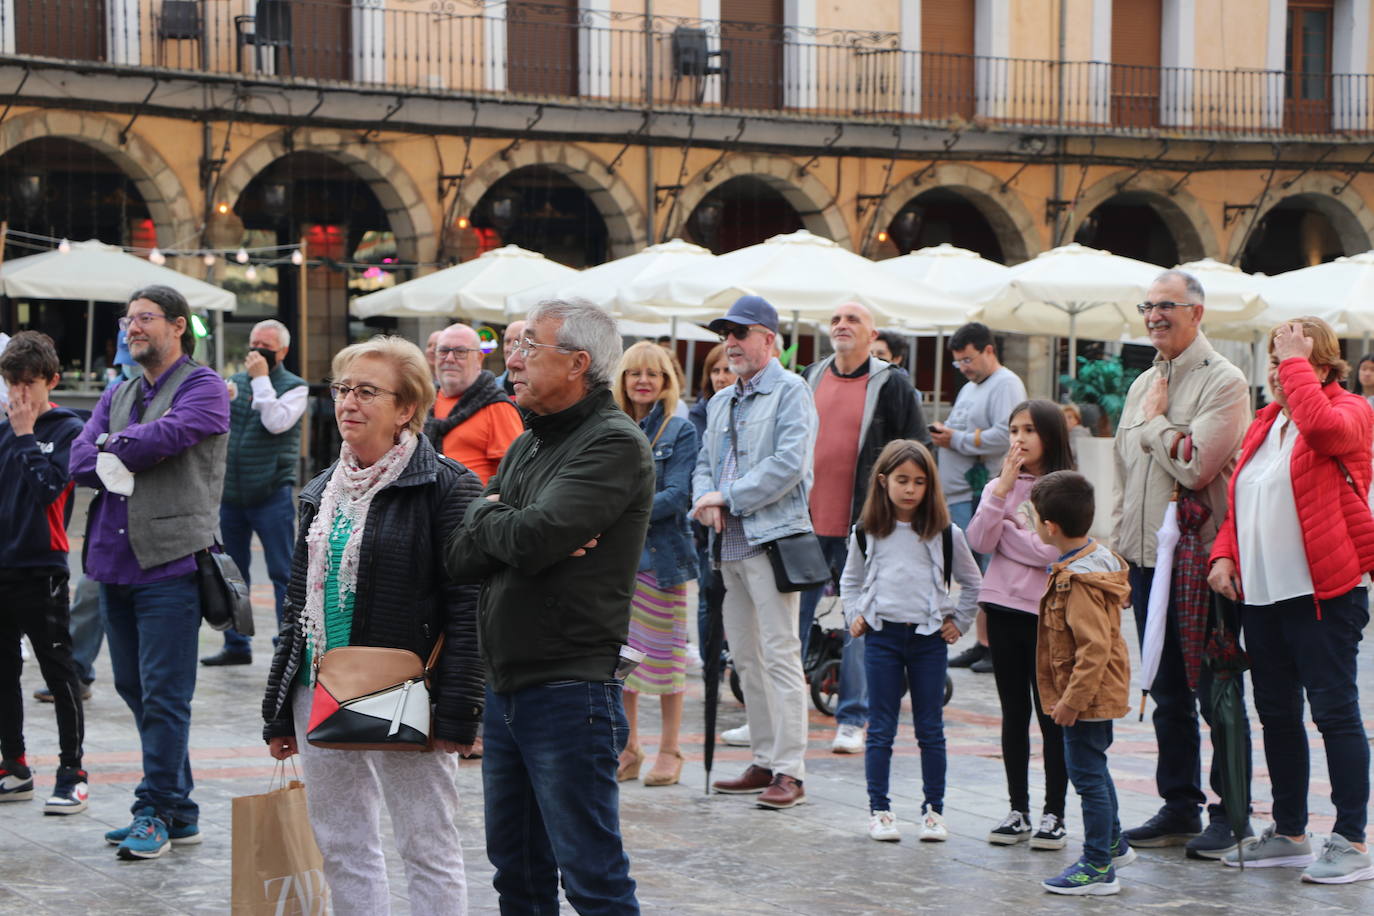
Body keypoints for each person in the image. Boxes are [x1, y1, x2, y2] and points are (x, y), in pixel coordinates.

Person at [262, 335, 482, 913]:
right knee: (341, 845)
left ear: (406, 407)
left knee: (427, 844)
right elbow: (296, 607)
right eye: (342, 389)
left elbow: (468, 606)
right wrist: (279, 709)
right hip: (320, 686)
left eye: (366, 391)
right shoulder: (321, 489)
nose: (348, 403)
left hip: (404, 690)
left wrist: (460, 713)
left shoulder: (447, 486)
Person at [446, 298, 650, 914]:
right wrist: (496, 517)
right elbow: (461, 557)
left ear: (578, 363)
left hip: (569, 687)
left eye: (530, 345)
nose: (513, 359)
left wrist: (498, 520)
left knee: (593, 879)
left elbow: (532, 541)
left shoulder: (613, 442)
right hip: (507, 684)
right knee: (518, 874)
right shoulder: (529, 442)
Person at [1208, 317, 1374, 883]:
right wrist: (1224, 556)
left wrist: (1298, 363)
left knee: (1334, 713)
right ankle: (1290, 832)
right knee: (1277, 715)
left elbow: (1324, 432)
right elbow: (1241, 503)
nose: (1278, 373)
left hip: (1324, 594)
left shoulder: (1351, 410)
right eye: (1275, 362)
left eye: (1290, 361)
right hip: (1262, 595)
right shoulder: (1266, 422)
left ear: (1321, 365)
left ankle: (1351, 840)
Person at [69, 285, 230, 860]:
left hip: (171, 564)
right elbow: (78, 459)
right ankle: (180, 811)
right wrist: (119, 449)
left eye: (144, 318)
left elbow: (169, 435)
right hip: (113, 564)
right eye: (127, 319)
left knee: (165, 695)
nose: (132, 328)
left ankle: (155, 809)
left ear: (178, 326)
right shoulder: (119, 390)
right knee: (135, 689)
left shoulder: (205, 387)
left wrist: (112, 446)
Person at [1113, 269, 1254, 860]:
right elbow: (1125, 470)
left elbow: (1196, 466)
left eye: (1166, 306)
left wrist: (1154, 424)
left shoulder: (1226, 381)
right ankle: (1179, 805)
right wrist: (1119, 550)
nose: (1154, 316)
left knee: (1215, 691)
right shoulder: (1144, 380)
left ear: (1197, 312)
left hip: (1203, 564)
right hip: (1147, 560)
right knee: (1166, 689)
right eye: (1147, 306)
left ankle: (1233, 813)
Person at [693, 295, 817, 809]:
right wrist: (704, 499)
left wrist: (727, 497)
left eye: (740, 333)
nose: (731, 342)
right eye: (726, 334)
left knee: (780, 653)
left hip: (772, 540)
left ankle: (791, 770)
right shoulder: (720, 400)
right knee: (745, 656)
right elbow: (704, 463)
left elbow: (789, 464)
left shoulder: (792, 391)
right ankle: (764, 760)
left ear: (769, 339)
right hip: (726, 546)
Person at [800, 302, 929, 755]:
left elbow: (918, 448)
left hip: (865, 523)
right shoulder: (811, 377)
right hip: (806, 523)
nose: (842, 325)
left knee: (859, 623)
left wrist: (901, 513)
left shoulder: (892, 383)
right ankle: (780, 714)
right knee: (790, 621)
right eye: (836, 319)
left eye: (853, 319)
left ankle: (853, 717)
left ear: (873, 335)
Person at [841, 439, 980, 843]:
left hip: (928, 641)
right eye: (902, 480)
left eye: (919, 482)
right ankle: (880, 810)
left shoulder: (946, 533)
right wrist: (855, 615)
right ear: (883, 481)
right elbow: (850, 580)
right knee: (881, 728)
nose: (910, 489)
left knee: (930, 728)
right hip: (882, 638)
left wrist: (960, 622)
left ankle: (933, 811)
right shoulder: (866, 532)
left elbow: (973, 583)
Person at [966, 400, 1075, 849]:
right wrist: (1003, 496)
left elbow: (1053, 551)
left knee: (1051, 716)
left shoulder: (1067, 488)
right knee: (1014, 714)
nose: (1019, 438)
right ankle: (1018, 810)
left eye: (1029, 429)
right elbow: (978, 540)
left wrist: (1009, 535)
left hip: (1047, 615)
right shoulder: (999, 486)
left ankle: (1054, 813)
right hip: (1002, 611)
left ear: (1049, 435)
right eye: (1014, 430)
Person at [1029, 471, 1135, 896]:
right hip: (1094, 692)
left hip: (1087, 696)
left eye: (1034, 519)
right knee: (1094, 769)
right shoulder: (1094, 560)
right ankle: (1112, 844)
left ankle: (1097, 866)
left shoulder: (1077, 582)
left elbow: (1093, 648)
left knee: (1087, 777)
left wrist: (1071, 701)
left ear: (1050, 527)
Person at [0, 331, 89, 813]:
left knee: (58, 673)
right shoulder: (4, 429)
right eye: (12, 382)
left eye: (28, 383)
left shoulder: (67, 428)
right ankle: (13, 765)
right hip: (3, 566)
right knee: (3, 672)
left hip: (43, 567)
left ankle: (73, 772)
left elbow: (50, 489)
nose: (19, 394)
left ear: (51, 381)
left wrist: (24, 435)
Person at [611, 341, 698, 788]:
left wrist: (624, 510)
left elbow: (679, 495)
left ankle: (670, 748)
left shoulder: (679, 430)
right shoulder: (612, 427)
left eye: (653, 373)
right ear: (623, 380)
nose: (643, 381)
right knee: (620, 661)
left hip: (661, 562)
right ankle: (629, 747)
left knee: (666, 660)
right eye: (635, 373)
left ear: (666, 382)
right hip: (617, 562)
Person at [204, 319, 308, 667]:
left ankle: (286, 644)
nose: (258, 351)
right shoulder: (235, 382)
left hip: (271, 493)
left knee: (282, 572)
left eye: (266, 346)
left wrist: (262, 379)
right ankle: (236, 644)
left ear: (283, 351)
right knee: (232, 573)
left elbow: (275, 422)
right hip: (232, 494)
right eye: (254, 344)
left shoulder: (295, 387)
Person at [930, 321, 1027, 674]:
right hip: (959, 493)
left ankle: (995, 647)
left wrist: (953, 438)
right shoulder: (973, 386)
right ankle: (983, 643)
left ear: (989, 350)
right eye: (958, 362)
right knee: (975, 575)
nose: (963, 368)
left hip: (981, 492)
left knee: (988, 572)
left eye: (968, 360)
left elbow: (1004, 435)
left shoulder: (1006, 384)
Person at [426, 322, 523, 485]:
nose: (449, 359)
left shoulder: (498, 407)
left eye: (460, 352)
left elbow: (514, 476)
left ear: (479, 358)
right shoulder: (425, 403)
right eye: (443, 351)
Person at [689, 343, 735, 677]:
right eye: (714, 371)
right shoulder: (700, 415)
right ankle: (712, 667)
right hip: (706, 521)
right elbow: (700, 465)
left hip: (741, 514)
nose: (720, 377)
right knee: (708, 596)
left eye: (726, 370)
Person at [493, 319, 526, 398]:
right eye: (507, 341)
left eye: (517, 342)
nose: (510, 348)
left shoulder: (536, 389)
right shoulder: (490, 388)